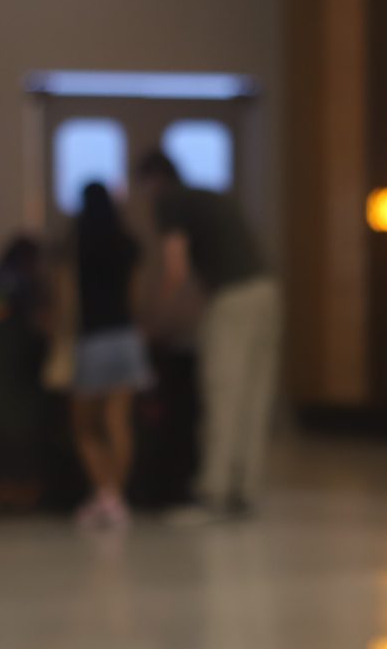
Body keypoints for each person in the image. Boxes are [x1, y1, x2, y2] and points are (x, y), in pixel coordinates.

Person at [137, 150, 279, 521]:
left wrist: (153, 320)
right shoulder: (207, 195)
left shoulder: (170, 201)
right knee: (253, 395)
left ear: (152, 181)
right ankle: (242, 489)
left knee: (223, 392)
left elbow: (176, 269)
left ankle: (214, 492)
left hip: (232, 296)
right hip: (266, 292)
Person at [68, 181, 154, 531]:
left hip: (92, 339)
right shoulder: (128, 245)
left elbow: (68, 297)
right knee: (119, 422)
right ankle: (114, 496)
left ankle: (104, 491)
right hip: (126, 338)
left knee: (85, 427)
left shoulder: (78, 244)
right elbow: (135, 296)